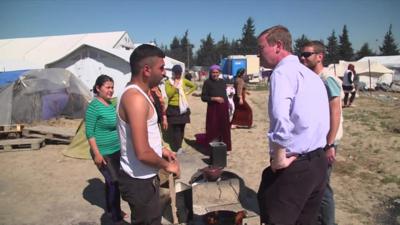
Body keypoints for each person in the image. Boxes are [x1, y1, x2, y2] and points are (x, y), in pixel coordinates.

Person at [256, 25, 330, 225]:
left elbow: (280, 117)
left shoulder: (282, 73)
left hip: (296, 166)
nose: (258, 55)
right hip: (318, 163)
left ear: (278, 46)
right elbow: (323, 119)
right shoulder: (311, 76)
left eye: (261, 48)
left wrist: (279, 157)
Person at [117, 44, 180, 225]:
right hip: (139, 182)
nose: (164, 73)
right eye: (161, 68)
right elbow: (143, 152)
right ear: (146, 70)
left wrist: (161, 149)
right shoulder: (135, 98)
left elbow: (141, 136)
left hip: (144, 178)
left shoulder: (142, 95)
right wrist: (167, 166)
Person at [301, 40, 344, 225]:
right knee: (316, 184)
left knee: (322, 186)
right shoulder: (314, 78)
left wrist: (330, 144)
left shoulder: (327, 79)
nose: (302, 58)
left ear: (319, 57)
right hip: (318, 140)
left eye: (307, 54)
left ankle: (328, 222)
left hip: (327, 141)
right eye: (301, 54)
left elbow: (335, 111)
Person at [85, 74, 126, 224]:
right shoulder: (93, 107)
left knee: (111, 182)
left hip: (116, 150)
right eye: (107, 87)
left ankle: (111, 209)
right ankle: (116, 216)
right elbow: (89, 133)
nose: (111, 90)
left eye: (112, 87)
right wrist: (97, 154)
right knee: (114, 181)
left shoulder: (110, 104)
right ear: (98, 88)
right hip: (103, 152)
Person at [165, 64, 196, 153]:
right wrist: (174, 86)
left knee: (182, 128)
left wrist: (187, 93)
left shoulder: (183, 81)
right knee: (176, 129)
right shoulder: (168, 82)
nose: (178, 74)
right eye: (176, 73)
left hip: (183, 108)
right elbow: (169, 94)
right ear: (173, 73)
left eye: (179, 72)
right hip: (173, 108)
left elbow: (194, 86)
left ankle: (180, 146)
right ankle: (178, 147)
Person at [201, 64, 232, 152]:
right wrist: (214, 98)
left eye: (217, 72)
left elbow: (224, 94)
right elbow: (203, 97)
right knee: (213, 128)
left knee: (224, 127)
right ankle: (212, 148)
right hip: (213, 109)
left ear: (219, 73)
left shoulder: (222, 81)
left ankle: (225, 148)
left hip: (223, 109)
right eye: (213, 72)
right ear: (210, 73)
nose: (215, 74)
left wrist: (228, 103)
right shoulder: (207, 82)